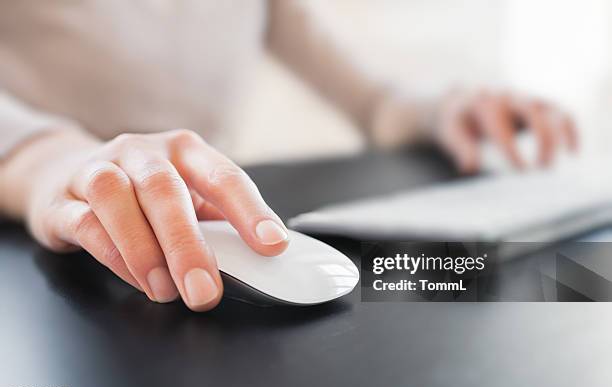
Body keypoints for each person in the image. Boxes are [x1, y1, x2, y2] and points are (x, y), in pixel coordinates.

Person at [0, 1, 577, 311]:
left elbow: (375, 101)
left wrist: (447, 110)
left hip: (195, 231)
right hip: (43, 240)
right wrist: (45, 159)